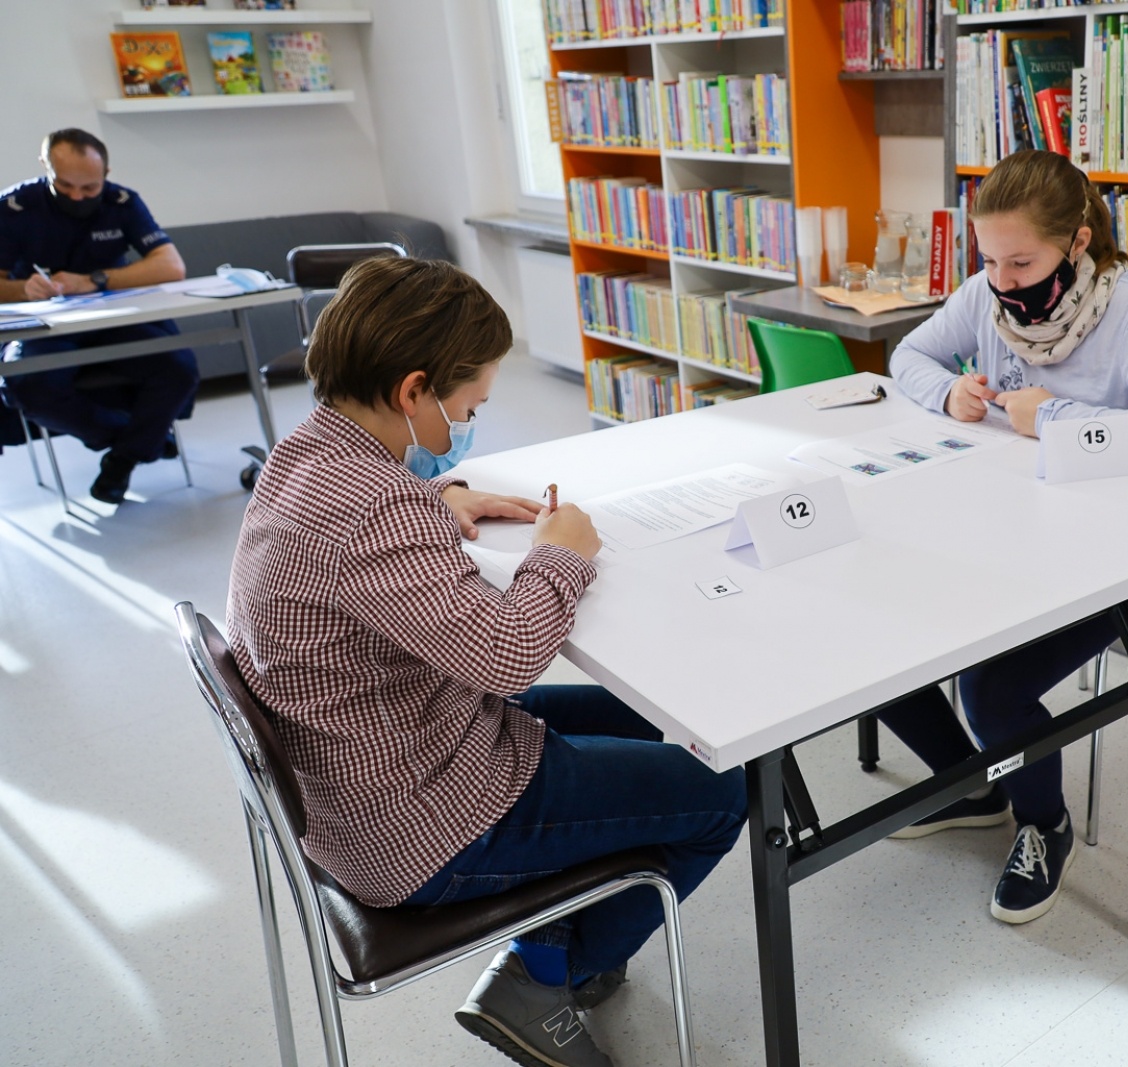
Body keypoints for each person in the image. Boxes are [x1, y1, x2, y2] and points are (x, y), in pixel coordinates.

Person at [225, 256, 746, 1067]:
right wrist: (559, 554)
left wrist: (438, 499)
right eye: (470, 404)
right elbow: (506, 658)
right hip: (422, 818)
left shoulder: (308, 455)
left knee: (666, 722)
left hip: (378, 762)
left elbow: (352, 544)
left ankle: (548, 945)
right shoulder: (375, 508)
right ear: (414, 390)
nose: (472, 421)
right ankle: (547, 976)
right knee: (722, 789)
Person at [877, 150, 1128, 926]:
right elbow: (909, 354)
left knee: (991, 687)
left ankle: (1044, 823)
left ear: (1076, 243)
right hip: (1011, 533)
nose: (1002, 281)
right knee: (879, 617)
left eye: (1021, 260)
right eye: (989, 260)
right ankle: (970, 783)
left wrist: (1058, 418)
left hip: (1115, 556)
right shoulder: (988, 294)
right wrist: (951, 392)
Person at [0, 128, 195, 504]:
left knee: (178, 367)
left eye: (89, 188)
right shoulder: (14, 208)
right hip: (45, 324)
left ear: (106, 173)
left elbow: (171, 266)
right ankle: (136, 440)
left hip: (113, 315)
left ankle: (121, 461)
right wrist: (22, 288)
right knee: (24, 384)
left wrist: (96, 280)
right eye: (65, 186)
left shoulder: (122, 202)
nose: (77, 196)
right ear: (46, 167)